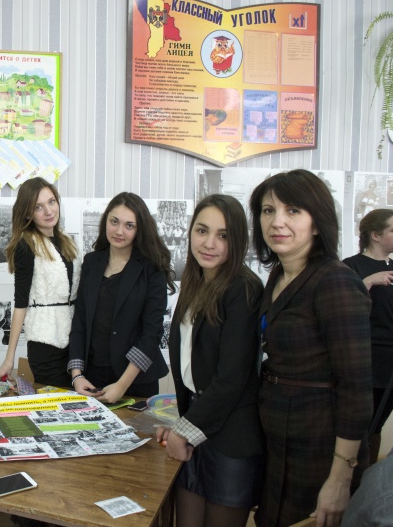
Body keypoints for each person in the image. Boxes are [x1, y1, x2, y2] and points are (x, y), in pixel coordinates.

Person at [248, 169, 372, 527]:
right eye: (268, 210)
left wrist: (340, 478)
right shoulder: (279, 276)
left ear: (317, 222)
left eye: (293, 210)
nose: (277, 221)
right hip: (278, 437)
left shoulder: (335, 280)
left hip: (321, 443)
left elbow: (356, 388)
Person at [156, 194, 264, 527]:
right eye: (202, 231)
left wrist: (183, 432)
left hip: (230, 437)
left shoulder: (244, 289)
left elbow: (232, 378)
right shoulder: (195, 281)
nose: (209, 243)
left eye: (223, 235)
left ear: (238, 241)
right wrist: (183, 426)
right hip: (196, 422)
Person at [68, 193, 174, 402]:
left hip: (136, 380)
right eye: (114, 222)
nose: (119, 231)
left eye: (129, 226)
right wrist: (77, 375)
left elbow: (152, 332)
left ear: (140, 229)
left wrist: (122, 385)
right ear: (105, 221)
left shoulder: (152, 268)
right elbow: (80, 320)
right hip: (91, 377)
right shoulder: (91, 262)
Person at [0, 177, 80, 387]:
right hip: (45, 341)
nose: (48, 211)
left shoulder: (67, 241)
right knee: (56, 401)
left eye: (51, 202)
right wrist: (9, 358)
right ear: (27, 213)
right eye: (38, 207)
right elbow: (20, 303)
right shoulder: (26, 245)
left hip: (74, 340)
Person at [342, 208, 393, 465]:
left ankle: (368, 479)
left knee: (377, 424)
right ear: (375, 235)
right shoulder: (350, 266)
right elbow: (341, 308)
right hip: (364, 357)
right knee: (359, 424)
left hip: (390, 360)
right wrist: (369, 281)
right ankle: (350, 477)